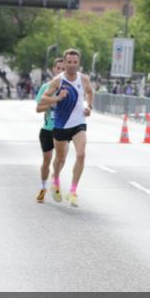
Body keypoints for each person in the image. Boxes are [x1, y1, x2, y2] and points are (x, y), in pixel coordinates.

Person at [43, 49, 94, 207]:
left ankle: (72, 191)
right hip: (61, 124)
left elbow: (90, 92)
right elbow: (44, 98)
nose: (72, 65)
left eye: (75, 62)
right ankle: (56, 180)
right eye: (69, 62)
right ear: (64, 63)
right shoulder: (58, 80)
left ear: (79, 63)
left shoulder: (83, 79)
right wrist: (58, 97)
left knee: (81, 155)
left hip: (79, 123)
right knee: (60, 158)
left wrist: (89, 107)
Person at [34, 57, 66, 203]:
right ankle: (42, 187)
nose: (60, 71)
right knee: (47, 160)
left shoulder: (69, 88)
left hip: (64, 129)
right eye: (58, 68)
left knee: (62, 159)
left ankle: (55, 180)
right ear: (54, 69)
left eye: (63, 69)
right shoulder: (46, 87)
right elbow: (38, 108)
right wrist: (52, 104)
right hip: (47, 129)